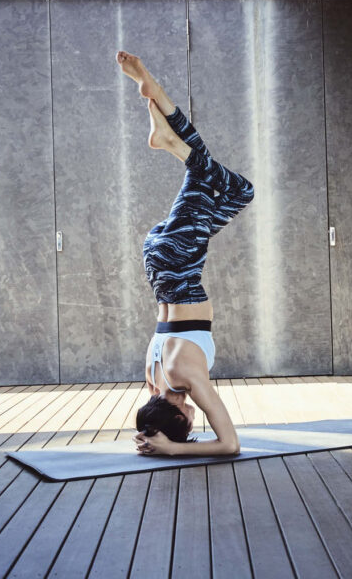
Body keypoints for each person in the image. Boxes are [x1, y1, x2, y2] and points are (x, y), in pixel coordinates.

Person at [116, 51, 252, 457]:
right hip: (162, 265)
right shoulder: (155, 379)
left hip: (178, 261)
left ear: (178, 419)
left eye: (187, 428)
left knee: (206, 171)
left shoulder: (186, 376)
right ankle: (167, 133)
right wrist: (151, 433)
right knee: (237, 193)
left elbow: (229, 445)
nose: (196, 424)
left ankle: (155, 99)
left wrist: (174, 450)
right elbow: (153, 414)